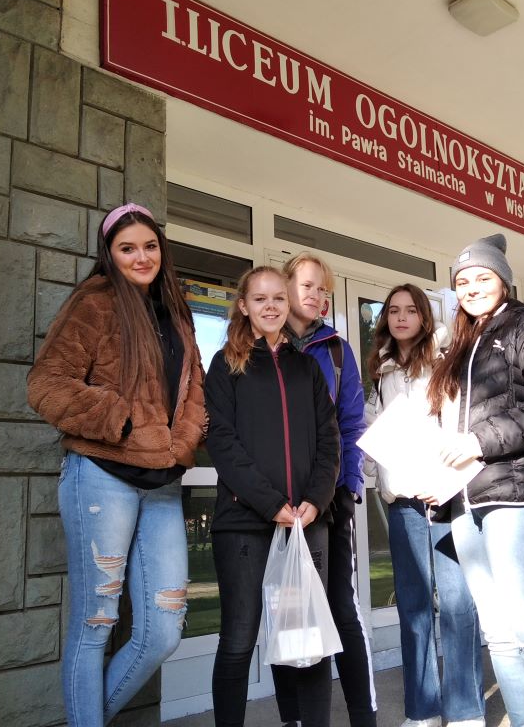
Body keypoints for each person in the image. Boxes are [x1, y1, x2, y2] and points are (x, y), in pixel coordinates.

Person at [27, 203, 207, 727]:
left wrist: (180, 442)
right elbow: (46, 385)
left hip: (162, 484)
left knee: (163, 631)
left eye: (149, 246)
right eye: (127, 248)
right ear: (110, 254)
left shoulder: (176, 313)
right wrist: (123, 421)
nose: (141, 256)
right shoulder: (95, 302)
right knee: (96, 623)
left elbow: (193, 391)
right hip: (101, 476)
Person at [428, 234, 524, 727]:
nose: (471, 288)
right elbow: (455, 428)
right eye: (462, 281)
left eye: (482, 277)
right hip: (467, 502)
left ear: (504, 281)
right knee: (501, 635)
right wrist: (438, 477)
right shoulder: (463, 345)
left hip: (518, 495)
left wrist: (477, 441)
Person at [204, 266, 341, 727]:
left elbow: (330, 440)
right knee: (239, 639)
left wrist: (315, 500)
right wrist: (270, 503)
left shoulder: (307, 367)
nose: (270, 306)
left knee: (306, 638)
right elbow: (222, 442)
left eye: (278, 298)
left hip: (306, 521)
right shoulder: (225, 365)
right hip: (245, 522)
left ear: (288, 303)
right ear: (243, 306)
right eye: (260, 299)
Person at [364, 284, 486, 727]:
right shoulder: (381, 372)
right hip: (404, 502)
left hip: (446, 498)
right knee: (414, 608)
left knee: (457, 603)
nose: (401, 318)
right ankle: (423, 710)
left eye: (410, 310)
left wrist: (447, 481)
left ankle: (466, 709)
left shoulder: (444, 361)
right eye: (393, 310)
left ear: (424, 316)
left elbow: (459, 425)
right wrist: (378, 475)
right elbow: (376, 432)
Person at [277, 251, 377, 727]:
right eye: (308, 285)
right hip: (277, 503)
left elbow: (352, 424)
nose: (316, 296)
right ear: (285, 286)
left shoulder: (337, 351)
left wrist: (350, 485)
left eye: (323, 289)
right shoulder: (262, 343)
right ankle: (294, 718)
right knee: (287, 609)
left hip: (330, 499)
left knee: (340, 607)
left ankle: (363, 716)